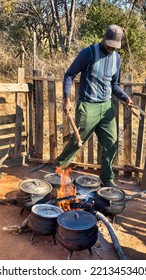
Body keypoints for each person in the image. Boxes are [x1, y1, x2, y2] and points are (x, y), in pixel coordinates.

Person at [53, 24, 133, 188]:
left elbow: (115, 84)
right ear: (104, 39)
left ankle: (107, 177)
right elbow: (69, 75)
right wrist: (67, 99)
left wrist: (125, 97)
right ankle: (59, 167)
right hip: (88, 105)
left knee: (111, 143)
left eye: (115, 46)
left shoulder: (117, 59)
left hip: (106, 107)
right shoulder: (88, 53)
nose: (111, 48)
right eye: (110, 44)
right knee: (78, 141)